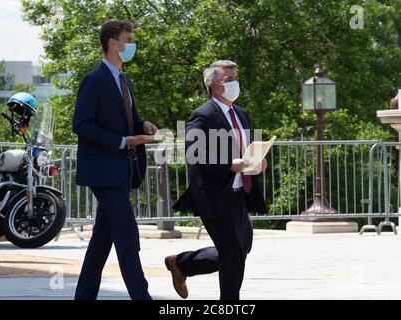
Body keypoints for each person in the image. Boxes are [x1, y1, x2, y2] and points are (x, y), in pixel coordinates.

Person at [167, 60, 267, 300]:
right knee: (232, 252)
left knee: (241, 248)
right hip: (214, 195)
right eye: (229, 80)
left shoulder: (241, 114)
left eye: (236, 78)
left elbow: (244, 150)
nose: (235, 84)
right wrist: (230, 164)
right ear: (213, 85)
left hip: (240, 191)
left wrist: (257, 162)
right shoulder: (202, 115)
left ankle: (182, 264)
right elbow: (195, 153)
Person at [72, 20, 158, 300]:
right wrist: (122, 141)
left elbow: (129, 118)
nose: (131, 44)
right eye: (127, 39)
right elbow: (82, 124)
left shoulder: (125, 80)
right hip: (103, 170)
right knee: (128, 236)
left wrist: (143, 125)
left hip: (122, 169)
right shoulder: (94, 80)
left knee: (101, 242)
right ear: (112, 42)